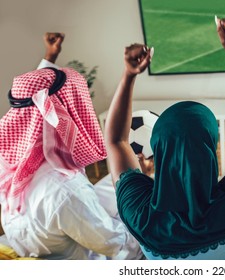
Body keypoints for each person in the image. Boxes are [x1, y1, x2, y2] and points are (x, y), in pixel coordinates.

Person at [104, 17, 225, 260]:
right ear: (210, 148)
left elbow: (115, 141)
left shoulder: (138, 213)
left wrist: (129, 75)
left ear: (158, 149)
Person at [0, 32, 143, 260]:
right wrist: (141, 200)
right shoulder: (66, 190)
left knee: (114, 183)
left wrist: (49, 57)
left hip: (44, 232)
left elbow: (34, 100)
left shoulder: (10, 158)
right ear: (63, 114)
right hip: (83, 257)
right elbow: (114, 244)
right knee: (139, 203)